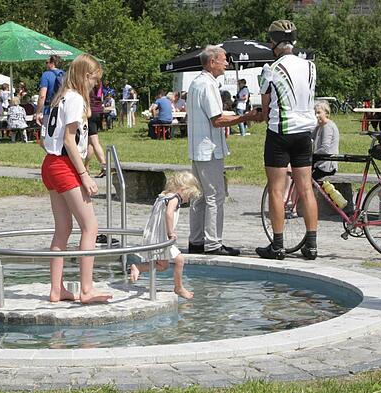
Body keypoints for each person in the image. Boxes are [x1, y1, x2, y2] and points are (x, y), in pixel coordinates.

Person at [41, 53, 111, 304]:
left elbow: (44, 140)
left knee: (63, 229)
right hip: (63, 165)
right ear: (84, 76)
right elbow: (70, 140)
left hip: (50, 163)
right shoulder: (76, 99)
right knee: (90, 226)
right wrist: (84, 174)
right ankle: (86, 289)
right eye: (94, 79)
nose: (95, 85)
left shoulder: (59, 98)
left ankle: (57, 289)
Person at [253, 20, 319, 260]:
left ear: (273, 42)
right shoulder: (310, 66)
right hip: (305, 133)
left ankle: (278, 245)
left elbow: (265, 106)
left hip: (280, 132)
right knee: (306, 189)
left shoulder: (270, 68)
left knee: (276, 190)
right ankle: (311, 245)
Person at [186, 45, 254, 256]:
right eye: (224, 59)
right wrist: (246, 117)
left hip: (199, 148)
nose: (227, 63)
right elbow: (217, 120)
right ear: (212, 62)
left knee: (199, 196)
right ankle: (214, 244)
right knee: (215, 196)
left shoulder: (197, 83)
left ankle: (196, 241)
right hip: (209, 149)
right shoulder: (207, 85)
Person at [129, 171, 201, 299]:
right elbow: (169, 214)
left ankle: (138, 267)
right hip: (162, 237)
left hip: (154, 235)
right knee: (180, 260)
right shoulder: (174, 198)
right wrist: (170, 232)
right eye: (189, 196)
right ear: (183, 189)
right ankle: (178, 288)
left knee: (163, 265)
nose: (187, 200)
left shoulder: (164, 196)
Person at [35, 55, 65, 138]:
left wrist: (38, 112)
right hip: (63, 109)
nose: (46, 65)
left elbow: (42, 95)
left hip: (49, 109)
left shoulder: (46, 75)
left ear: (52, 63)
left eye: (47, 62)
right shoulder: (65, 74)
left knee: (44, 138)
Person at [312, 101, 340, 181]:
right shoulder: (320, 126)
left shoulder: (327, 127)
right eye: (315, 113)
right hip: (320, 163)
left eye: (319, 113)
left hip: (326, 166)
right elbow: (308, 138)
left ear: (326, 113)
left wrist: (311, 156)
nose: (316, 115)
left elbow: (325, 149)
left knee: (305, 181)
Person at [87, 81, 107, 177]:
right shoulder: (99, 83)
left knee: (94, 142)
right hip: (99, 112)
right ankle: (85, 167)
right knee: (90, 142)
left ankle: (104, 165)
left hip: (91, 112)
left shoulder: (88, 83)